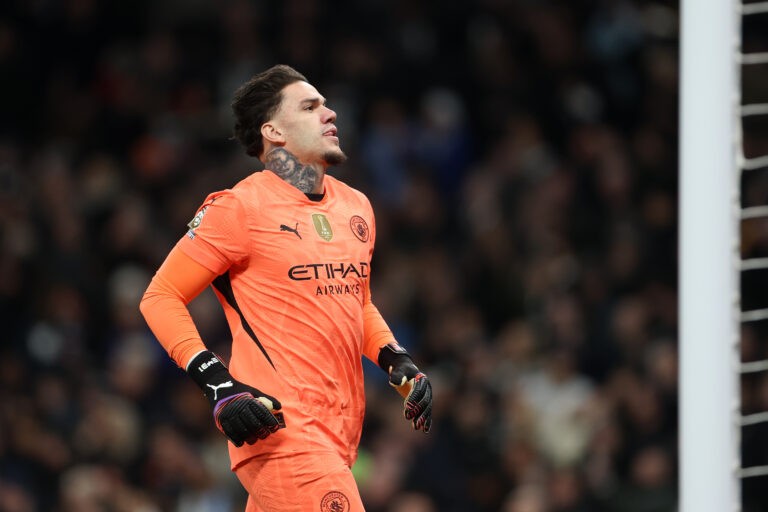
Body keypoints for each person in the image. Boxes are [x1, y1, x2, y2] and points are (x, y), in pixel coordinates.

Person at [139, 64, 433, 512]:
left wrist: (395, 358)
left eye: (325, 104)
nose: (330, 113)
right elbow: (160, 296)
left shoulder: (356, 207)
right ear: (273, 131)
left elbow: (355, 300)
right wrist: (218, 384)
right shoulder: (238, 208)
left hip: (339, 436)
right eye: (310, 107)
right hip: (282, 432)